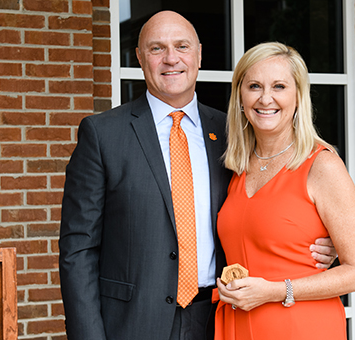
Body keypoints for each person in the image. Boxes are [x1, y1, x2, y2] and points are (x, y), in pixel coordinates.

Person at [58, 11, 336, 340]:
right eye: (157, 48)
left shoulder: (233, 134)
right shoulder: (103, 134)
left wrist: (317, 239)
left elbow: (265, 205)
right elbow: (78, 250)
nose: (171, 58)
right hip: (133, 323)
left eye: (182, 46)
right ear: (139, 57)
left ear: (199, 55)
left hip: (218, 318)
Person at [214, 42, 355, 339]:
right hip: (239, 325)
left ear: (298, 97)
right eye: (254, 86)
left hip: (301, 326)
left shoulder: (322, 164)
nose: (265, 98)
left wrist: (275, 291)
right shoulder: (237, 167)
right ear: (240, 97)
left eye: (279, 86)